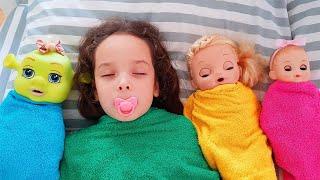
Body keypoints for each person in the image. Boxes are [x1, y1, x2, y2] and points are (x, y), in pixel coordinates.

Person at [60, 17, 220, 179]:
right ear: (95, 90)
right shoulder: (77, 149)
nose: (123, 83)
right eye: (108, 74)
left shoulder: (185, 131)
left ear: (155, 86)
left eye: (138, 72)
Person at [184, 34, 276, 179]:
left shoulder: (247, 95)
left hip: (253, 151)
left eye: (228, 67)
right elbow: (187, 127)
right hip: (219, 153)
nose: (219, 75)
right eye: (205, 73)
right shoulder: (195, 101)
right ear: (193, 82)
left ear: (239, 70)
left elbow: (262, 118)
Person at [260, 38, 320, 180]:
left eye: (303, 67)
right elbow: (268, 118)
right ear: (273, 74)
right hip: (290, 144)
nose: (298, 72)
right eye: (288, 68)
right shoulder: (275, 93)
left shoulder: (311, 89)